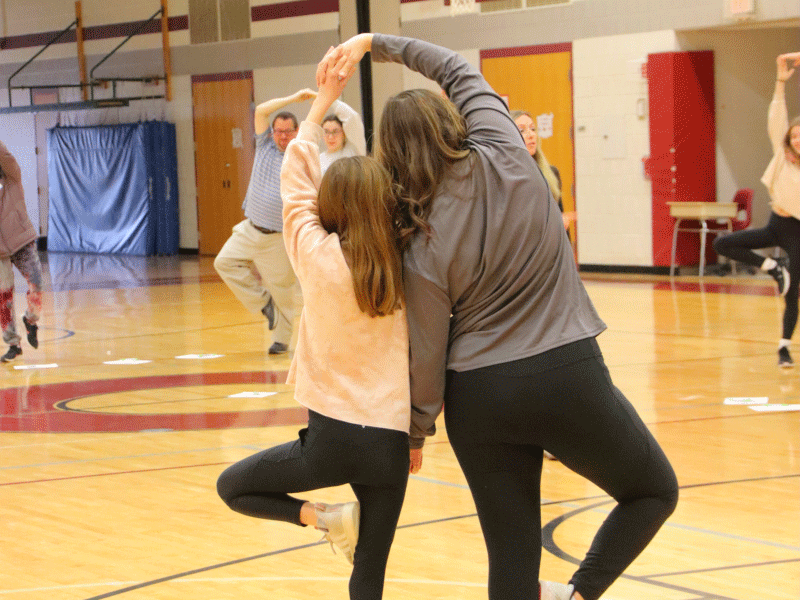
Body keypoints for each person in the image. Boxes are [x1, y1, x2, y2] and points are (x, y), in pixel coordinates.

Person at [322, 34, 679, 600]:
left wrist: (417, 429)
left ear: (391, 155)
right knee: (652, 490)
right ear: (451, 121)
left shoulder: (414, 239)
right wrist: (375, 43)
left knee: (511, 565)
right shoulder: (508, 148)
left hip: (480, 399)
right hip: (567, 371)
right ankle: (577, 594)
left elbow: (428, 349)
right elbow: (457, 66)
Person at [216, 53, 411, 600]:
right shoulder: (409, 263)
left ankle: (322, 518)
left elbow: (294, 177)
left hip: (331, 443)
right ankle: (335, 524)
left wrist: (321, 100)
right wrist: (419, 432)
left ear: (332, 207)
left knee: (233, 487)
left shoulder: (314, 253)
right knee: (368, 579)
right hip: (393, 444)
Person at [714, 52, 800, 368]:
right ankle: (773, 268)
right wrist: (780, 82)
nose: (798, 139)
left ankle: (784, 348)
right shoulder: (781, 156)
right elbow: (777, 116)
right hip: (776, 223)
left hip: (797, 233)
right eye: (795, 135)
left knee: (793, 293)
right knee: (723, 243)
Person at [214, 88, 315, 355]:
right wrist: (294, 98)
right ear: (272, 133)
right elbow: (261, 111)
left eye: (288, 131)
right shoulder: (264, 145)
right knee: (223, 263)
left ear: (296, 131)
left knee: (283, 291)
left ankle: (281, 341)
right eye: (279, 131)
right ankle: (262, 303)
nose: (283, 136)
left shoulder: (300, 156)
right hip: (249, 229)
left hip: (277, 239)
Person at [0, 140, 42, 364]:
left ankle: (31, 320)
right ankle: (13, 345)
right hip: (0, 253)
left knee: (37, 286)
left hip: (22, 242)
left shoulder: (12, 178)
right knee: (3, 298)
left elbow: (6, 156)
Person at [511, 109, 576, 233]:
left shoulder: (551, 173)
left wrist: (561, 221)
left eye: (532, 129)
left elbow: (560, 220)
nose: (531, 134)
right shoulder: (506, 178)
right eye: (522, 130)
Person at [320, 99, 367, 174]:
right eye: (326, 132)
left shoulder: (353, 151)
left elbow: (352, 117)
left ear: (344, 134)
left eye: (335, 132)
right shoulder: (319, 160)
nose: (331, 137)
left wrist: (327, 100)